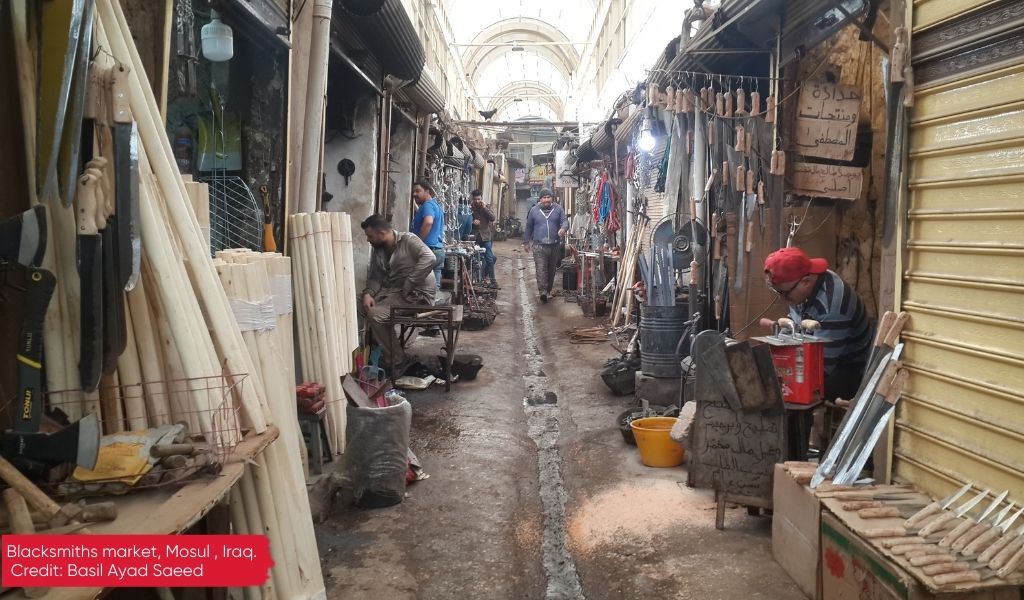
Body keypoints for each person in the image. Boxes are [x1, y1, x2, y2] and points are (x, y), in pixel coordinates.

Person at [762, 247, 872, 400]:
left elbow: (820, 370)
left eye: (784, 294)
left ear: (806, 282)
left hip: (845, 369)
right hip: (814, 353)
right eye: (778, 292)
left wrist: (785, 375)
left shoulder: (831, 307)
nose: (782, 299)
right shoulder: (799, 286)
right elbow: (794, 324)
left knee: (788, 393)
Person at [360, 214, 437, 374]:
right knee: (361, 306)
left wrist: (410, 282)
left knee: (375, 314)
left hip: (417, 296)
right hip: (397, 293)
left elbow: (430, 258)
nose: (368, 240)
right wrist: (368, 293)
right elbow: (376, 277)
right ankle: (378, 356)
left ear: (381, 234)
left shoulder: (408, 240)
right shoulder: (379, 250)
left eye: (370, 236)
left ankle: (399, 360)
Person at [523, 189, 568, 303]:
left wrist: (563, 229)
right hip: (539, 245)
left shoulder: (558, 209)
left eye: (549, 197)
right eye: (544, 197)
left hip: (554, 245)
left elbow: (565, 221)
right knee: (541, 268)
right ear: (540, 199)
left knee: (551, 269)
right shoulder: (534, 211)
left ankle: (548, 291)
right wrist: (526, 242)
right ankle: (542, 291)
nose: (546, 200)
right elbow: (528, 227)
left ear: (552, 198)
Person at [411, 179, 445, 288]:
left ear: (427, 191)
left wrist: (418, 242)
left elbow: (428, 222)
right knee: (434, 289)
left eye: (418, 191)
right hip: (438, 250)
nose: (414, 194)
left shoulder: (428, 206)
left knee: (423, 289)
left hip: (428, 250)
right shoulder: (435, 205)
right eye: (413, 191)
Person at [470, 189, 498, 287]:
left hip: (486, 237)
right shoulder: (470, 209)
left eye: (479, 199)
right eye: (475, 199)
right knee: (475, 260)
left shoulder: (486, 208)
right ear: (472, 199)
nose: (477, 201)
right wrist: (473, 222)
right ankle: (477, 280)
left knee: (490, 259)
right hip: (475, 238)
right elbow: (467, 221)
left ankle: (493, 281)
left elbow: (493, 218)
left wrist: (485, 208)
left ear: (481, 198)